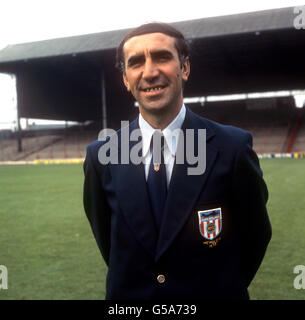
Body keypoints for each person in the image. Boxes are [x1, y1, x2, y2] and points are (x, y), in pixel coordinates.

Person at [83, 22, 272, 300]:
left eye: (162, 57)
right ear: (126, 79)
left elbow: (256, 235)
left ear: (184, 68)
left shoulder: (232, 148)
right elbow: (108, 241)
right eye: (136, 63)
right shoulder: (102, 155)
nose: (149, 72)